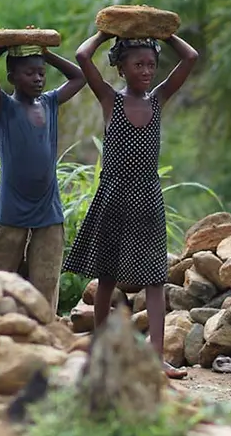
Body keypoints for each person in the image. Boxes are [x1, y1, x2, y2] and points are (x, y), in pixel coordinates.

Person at [63, 29, 198, 379]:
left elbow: (190, 58)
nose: (147, 71)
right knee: (107, 275)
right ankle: (102, 350)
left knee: (155, 277)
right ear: (121, 68)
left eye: (151, 64)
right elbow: (81, 56)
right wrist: (104, 33)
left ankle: (156, 357)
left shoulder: (158, 99)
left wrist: (165, 33)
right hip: (115, 194)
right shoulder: (111, 100)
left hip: (148, 196)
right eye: (138, 64)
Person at [0, 41, 86, 311]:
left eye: (41, 73)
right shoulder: (4, 107)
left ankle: (44, 330)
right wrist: (2, 46)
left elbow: (79, 76)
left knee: (46, 281)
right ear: (12, 77)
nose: (38, 78)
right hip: (14, 208)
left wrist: (47, 53)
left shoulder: (48, 102)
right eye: (29, 73)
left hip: (48, 208)